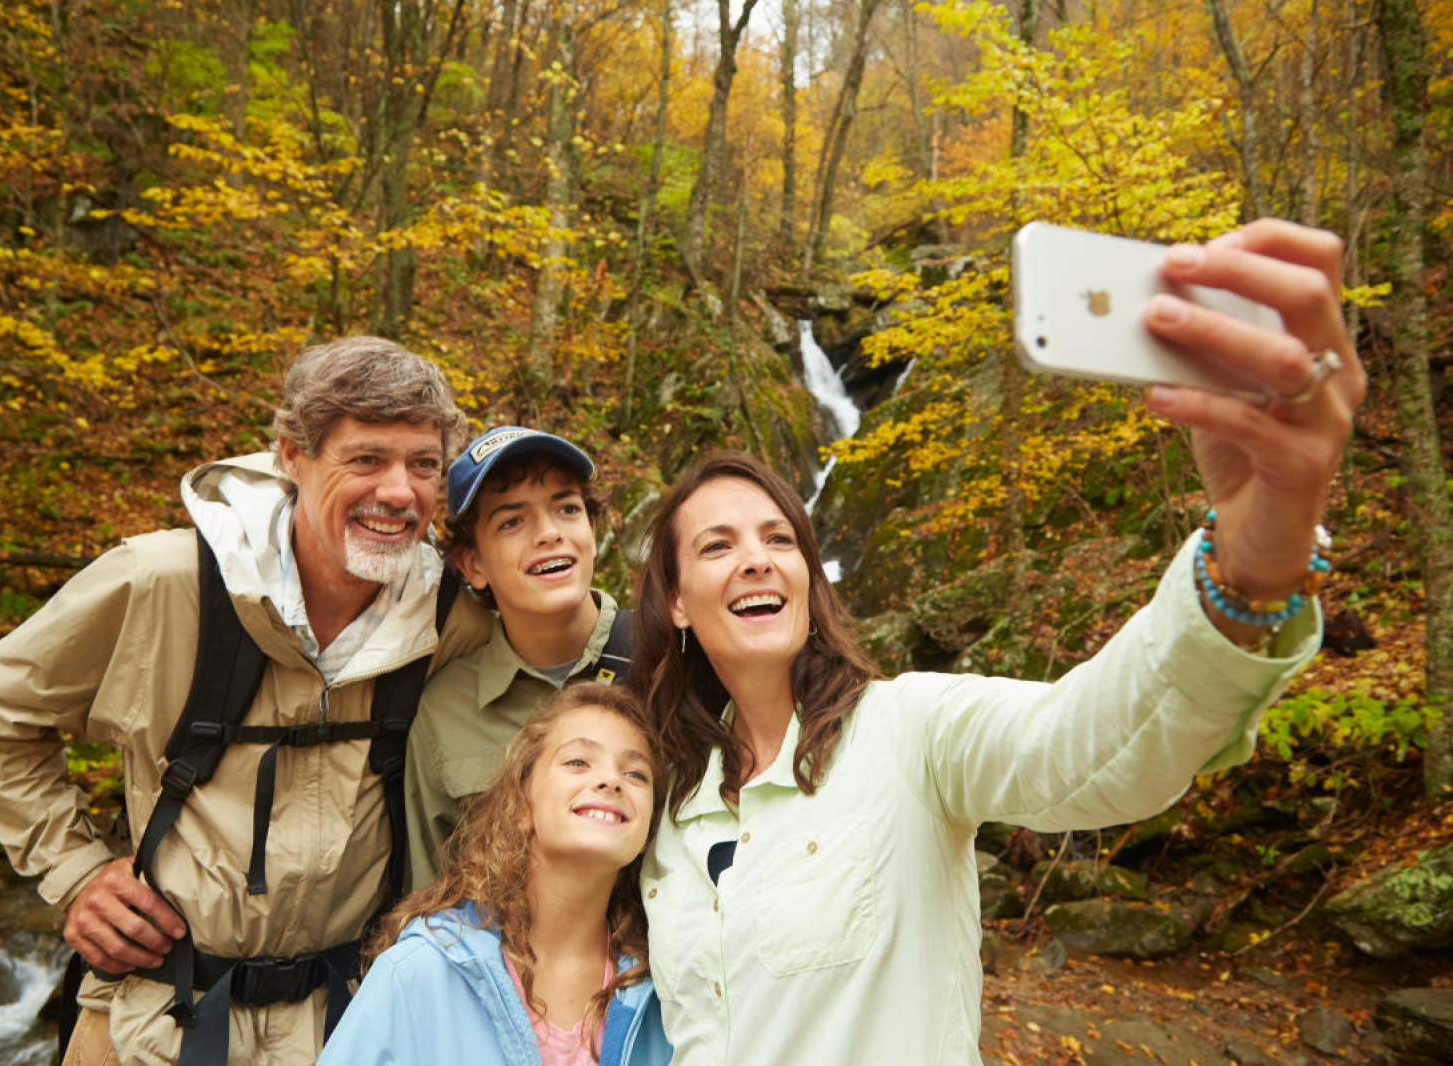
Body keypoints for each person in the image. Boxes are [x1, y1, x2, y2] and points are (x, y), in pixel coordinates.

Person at [626, 220, 1366, 1064]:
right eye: (718, 546)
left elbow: (1093, 744)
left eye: (780, 538)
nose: (756, 558)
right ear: (677, 602)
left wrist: (1250, 557)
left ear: (810, 577)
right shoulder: (668, 807)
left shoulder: (912, 731)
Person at [0, 337, 492, 1066]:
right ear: (292, 455)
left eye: (423, 464)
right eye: (365, 459)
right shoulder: (164, 583)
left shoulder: (449, 618)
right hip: (153, 1022)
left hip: (353, 1025)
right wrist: (75, 871)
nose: (400, 491)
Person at [319, 683, 674, 1066]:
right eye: (577, 762)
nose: (611, 781)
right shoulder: (420, 970)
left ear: (649, 828)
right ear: (521, 803)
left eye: (636, 774)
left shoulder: (667, 987)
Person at [404, 426, 632, 891]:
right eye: (512, 521)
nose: (550, 533)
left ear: (592, 528)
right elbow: (430, 900)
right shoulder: (444, 711)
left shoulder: (669, 655)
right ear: (473, 565)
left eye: (567, 509)